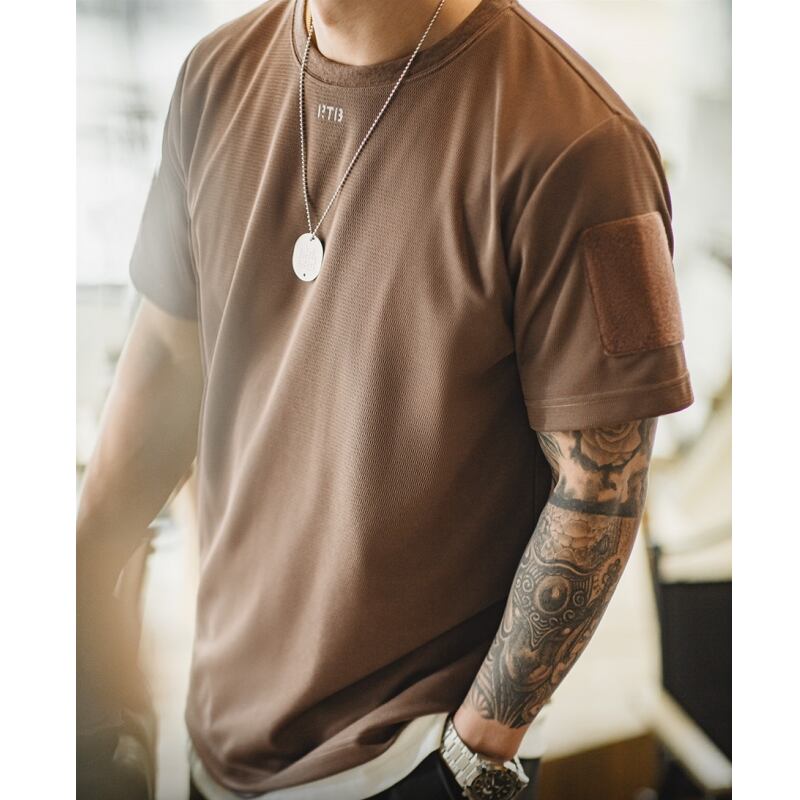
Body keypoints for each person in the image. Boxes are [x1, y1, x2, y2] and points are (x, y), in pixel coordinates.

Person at [76, 0, 694, 798]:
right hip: (219, 737)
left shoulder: (583, 145)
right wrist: (82, 591)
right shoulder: (214, 78)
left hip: (411, 760)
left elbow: (600, 487)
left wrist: (476, 757)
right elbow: (167, 351)